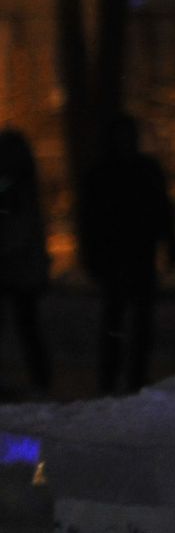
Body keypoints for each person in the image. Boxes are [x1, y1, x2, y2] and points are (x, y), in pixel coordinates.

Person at [77, 115, 175, 395]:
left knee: (134, 320)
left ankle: (129, 378)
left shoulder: (133, 170)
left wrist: (170, 243)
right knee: (119, 319)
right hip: (120, 255)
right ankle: (116, 378)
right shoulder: (110, 173)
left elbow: (162, 209)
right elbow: (90, 219)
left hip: (135, 254)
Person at [0, 130, 50, 396]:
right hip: (18, 265)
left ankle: (40, 379)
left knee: (27, 326)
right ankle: (40, 379)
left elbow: (26, 228)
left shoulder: (16, 188)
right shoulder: (21, 186)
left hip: (17, 265)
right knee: (28, 326)